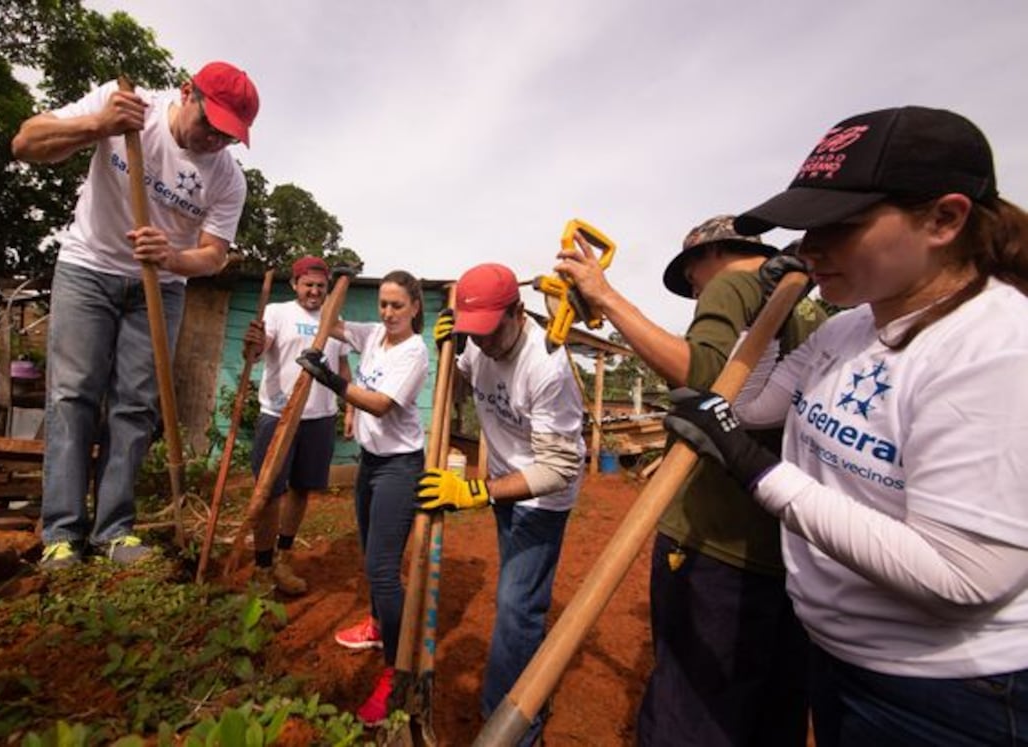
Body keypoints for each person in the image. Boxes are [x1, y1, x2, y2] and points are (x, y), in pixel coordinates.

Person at [662, 106, 1028, 746]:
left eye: (840, 227)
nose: (810, 249)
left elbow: (961, 576)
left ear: (944, 220)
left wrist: (753, 468)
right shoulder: (850, 328)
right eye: (807, 230)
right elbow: (753, 405)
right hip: (836, 656)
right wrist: (766, 313)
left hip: (942, 694)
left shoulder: (996, 350)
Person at [555, 217, 825, 746]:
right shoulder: (810, 308)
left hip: (715, 536)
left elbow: (704, 380)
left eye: (691, 276)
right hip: (789, 545)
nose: (696, 290)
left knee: (690, 705)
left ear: (712, 255)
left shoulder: (733, 285)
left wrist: (606, 297)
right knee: (772, 711)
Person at [11, 61, 259, 569]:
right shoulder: (127, 107)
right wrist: (98, 125)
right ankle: (62, 532)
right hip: (88, 268)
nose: (215, 141)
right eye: (210, 125)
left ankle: (114, 531)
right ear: (187, 93)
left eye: (229, 136)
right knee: (73, 395)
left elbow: (213, 256)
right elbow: (26, 143)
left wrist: (172, 258)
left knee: (136, 405)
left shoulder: (228, 180)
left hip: (160, 289)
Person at [417, 263, 586, 746]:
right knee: (519, 599)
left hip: (543, 495)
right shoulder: (479, 343)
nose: (484, 342)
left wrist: (478, 491)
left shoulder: (546, 365)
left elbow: (559, 468)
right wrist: (449, 353)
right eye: (474, 332)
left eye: (490, 330)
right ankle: (530, 683)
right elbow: (458, 387)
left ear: (517, 311)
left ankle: (512, 727)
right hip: (505, 482)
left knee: (516, 605)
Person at [296, 270, 430, 726]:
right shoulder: (373, 335)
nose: (388, 313)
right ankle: (377, 626)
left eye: (397, 305)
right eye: (383, 304)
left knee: (382, 569)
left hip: (400, 467)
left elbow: (380, 405)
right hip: (370, 462)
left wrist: (331, 381)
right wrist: (328, 284)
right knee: (368, 551)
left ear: (415, 307)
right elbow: (330, 322)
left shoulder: (414, 352)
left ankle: (397, 669)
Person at [241, 255, 351, 594]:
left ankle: (283, 559)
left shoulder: (336, 319)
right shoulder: (277, 313)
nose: (315, 291)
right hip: (278, 415)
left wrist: (350, 408)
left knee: (301, 489)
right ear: (294, 284)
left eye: (321, 286)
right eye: (308, 285)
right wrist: (252, 345)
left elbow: (342, 366)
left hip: (320, 418)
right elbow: (256, 353)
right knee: (268, 493)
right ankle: (262, 567)